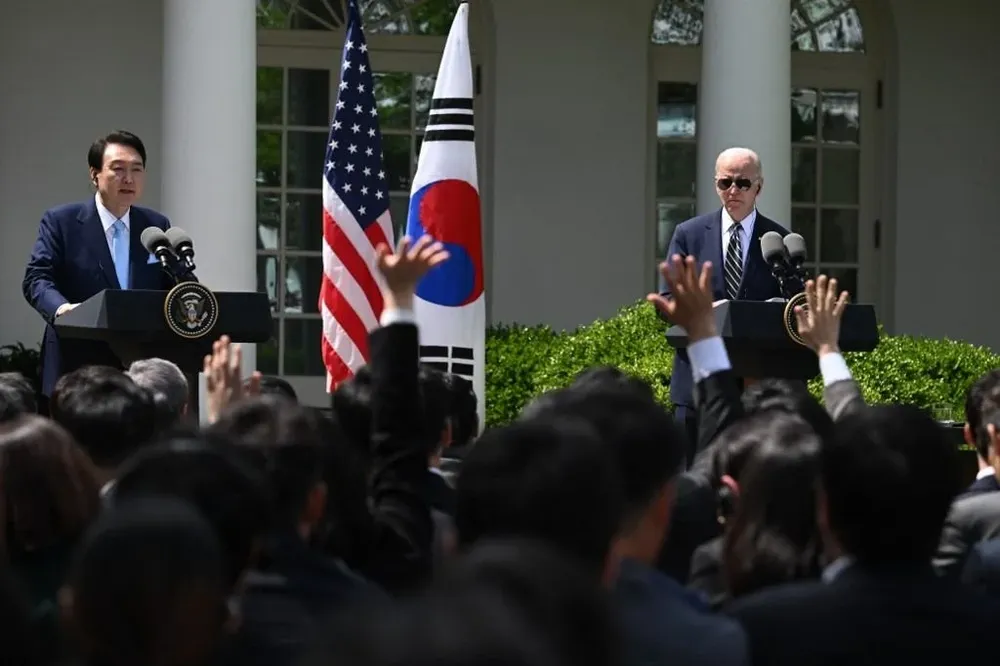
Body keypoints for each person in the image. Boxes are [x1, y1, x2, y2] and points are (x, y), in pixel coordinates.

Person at [22, 130, 174, 400]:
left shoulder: (156, 226)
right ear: (95, 175)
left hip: (138, 374)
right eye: (118, 169)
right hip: (76, 369)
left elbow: (170, 283)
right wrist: (62, 309)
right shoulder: (62, 222)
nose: (128, 179)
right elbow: (37, 278)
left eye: (136, 169)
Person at [660, 147, 789, 461]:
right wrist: (704, 314)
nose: (733, 191)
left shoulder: (779, 240)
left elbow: (792, 308)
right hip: (696, 384)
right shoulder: (688, 234)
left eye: (742, 183)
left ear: (759, 187)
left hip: (756, 389)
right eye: (724, 183)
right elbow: (667, 299)